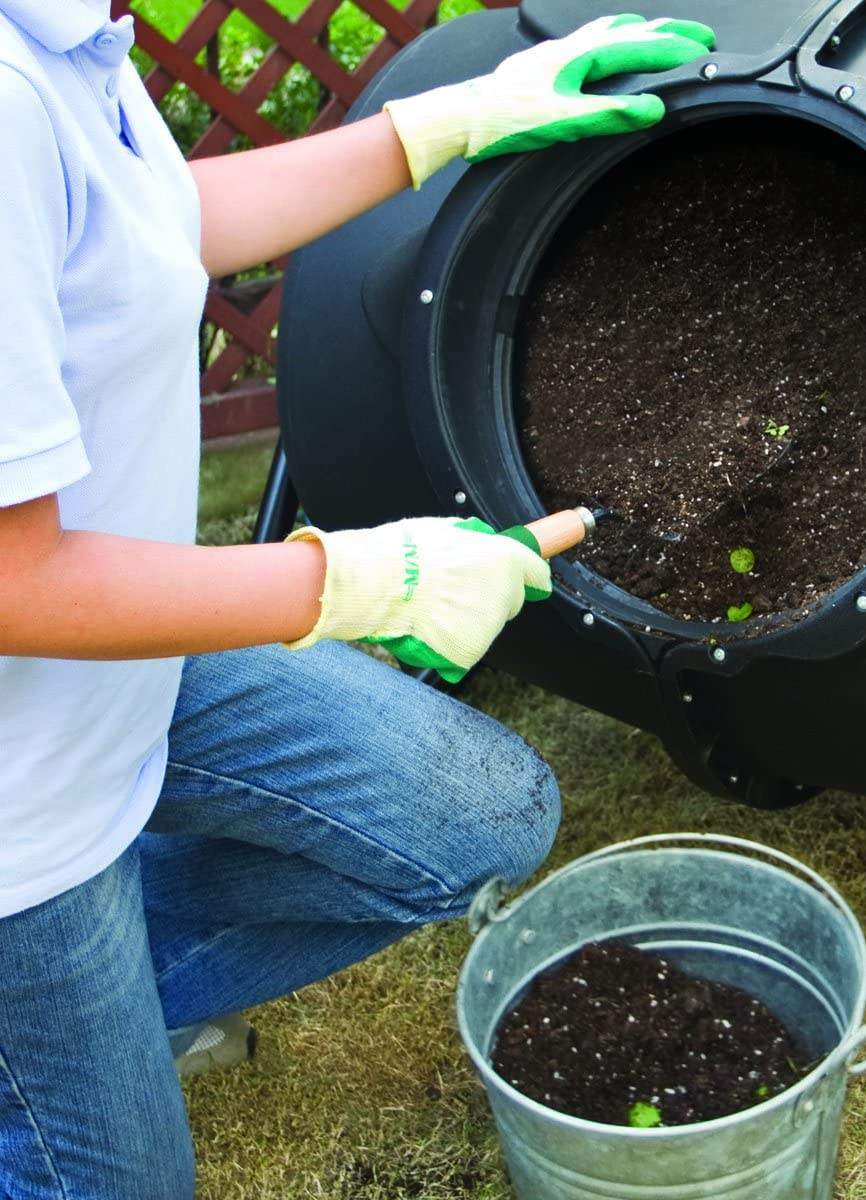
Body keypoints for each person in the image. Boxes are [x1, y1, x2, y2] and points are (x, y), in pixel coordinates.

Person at [0, 2, 716, 1195]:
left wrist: (449, 122)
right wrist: (366, 580)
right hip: (20, 794)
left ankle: (75, 1019)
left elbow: (154, 228)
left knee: (470, 816)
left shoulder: (64, 36)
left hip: (128, 669)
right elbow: (13, 580)